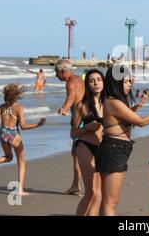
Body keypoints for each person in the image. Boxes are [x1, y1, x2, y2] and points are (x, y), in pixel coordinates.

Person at [96, 65, 149, 216]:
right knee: (110, 203)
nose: (130, 85)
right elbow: (141, 122)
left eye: (130, 81)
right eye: (126, 82)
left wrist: (137, 107)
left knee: (108, 201)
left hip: (117, 148)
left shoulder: (115, 102)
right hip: (114, 149)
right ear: (116, 83)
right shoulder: (113, 102)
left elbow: (121, 121)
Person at [0, 84, 46, 195]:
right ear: (16, 96)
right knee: (21, 161)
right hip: (13, 134)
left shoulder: (2, 107)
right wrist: (37, 125)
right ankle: (20, 189)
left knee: (8, 157)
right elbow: (23, 126)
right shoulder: (19, 108)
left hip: (2, 133)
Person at [71, 69, 105, 216]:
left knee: (99, 194)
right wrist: (87, 128)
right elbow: (73, 134)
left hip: (103, 149)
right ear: (87, 84)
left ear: (104, 82)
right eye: (92, 80)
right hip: (85, 146)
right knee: (90, 192)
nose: (96, 83)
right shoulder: (81, 105)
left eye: (98, 79)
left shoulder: (109, 104)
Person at [55, 59, 85, 195]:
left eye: (57, 72)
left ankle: (77, 185)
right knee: (77, 152)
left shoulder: (70, 83)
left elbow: (71, 97)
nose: (56, 76)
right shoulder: (79, 79)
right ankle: (75, 184)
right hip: (86, 116)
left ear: (63, 71)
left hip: (79, 120)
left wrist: (64, 109)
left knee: (78, 154)